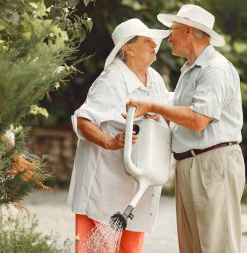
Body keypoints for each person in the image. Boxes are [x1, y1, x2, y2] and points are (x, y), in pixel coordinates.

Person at [126, 4, 245, 253]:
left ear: (189, 31)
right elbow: (180, 117)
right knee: (192, 247)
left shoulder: (216, 69)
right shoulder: (189, 70)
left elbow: (198, 119)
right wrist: (152, 113)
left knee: (216, 246)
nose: (169, 38)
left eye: (173, 30)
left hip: (212, 164)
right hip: (190, 164)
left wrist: (155, 107)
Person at [67, 18, 171, 253]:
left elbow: (164, 112)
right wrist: (109, 141)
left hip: (135, 185)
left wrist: (157, 118)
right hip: (103, 185)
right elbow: (83, 120)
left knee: (130, 248)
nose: (154, 44)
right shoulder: (111, 80)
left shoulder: (154, 78)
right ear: (128, 48)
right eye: (147, 41)